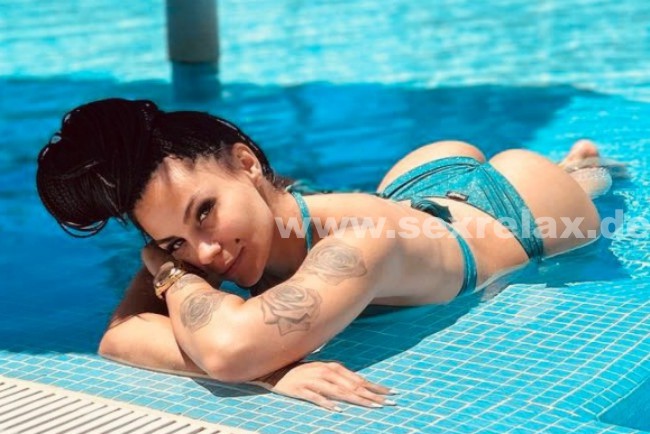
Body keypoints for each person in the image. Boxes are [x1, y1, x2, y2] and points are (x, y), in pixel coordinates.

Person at [36, 98, 610, 411]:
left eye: (205, 212)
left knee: (592, 185)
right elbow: (118, 339)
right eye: (173, 242)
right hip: (412, 185)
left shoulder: (358, 242)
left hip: (519, 210)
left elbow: (229, 349)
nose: (204, 253)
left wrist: (168, 274)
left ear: (246, 163)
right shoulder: (218, 239)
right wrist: (273, 369)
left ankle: (576, 166)